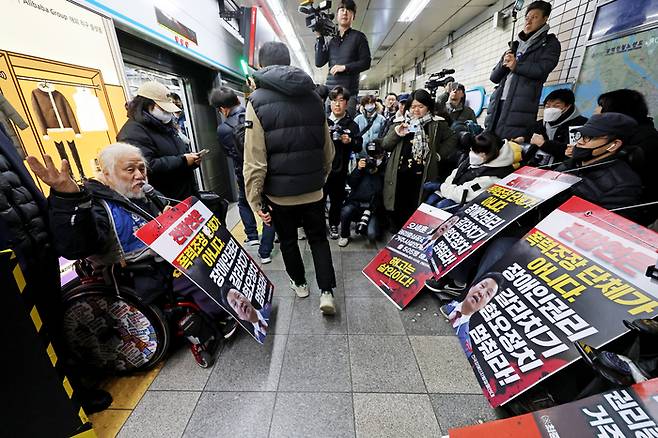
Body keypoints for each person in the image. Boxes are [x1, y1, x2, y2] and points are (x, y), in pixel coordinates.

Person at [28, 143, 237, 334]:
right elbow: (77, 246)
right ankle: (220, 314)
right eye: (130, 170)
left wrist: (167, 218)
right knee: (196, 269)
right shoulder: (97, 204)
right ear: (107, 174)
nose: (140, 175)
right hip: (134, 272)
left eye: (142, 169)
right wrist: (69, 198)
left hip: (160, 258)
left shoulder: (139, 193)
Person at [1, 127, 111, 418]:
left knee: (52, 328)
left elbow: (25, 198)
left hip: (39, 255)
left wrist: (65, 196)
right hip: (9, 269)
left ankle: (73, 391)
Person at [243, 42, 338, 315]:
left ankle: (300, 284)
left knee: (287, 241)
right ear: (288, 62)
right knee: (319, 239)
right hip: (314, 190)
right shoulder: (315, 98)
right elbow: (327, 150)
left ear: (262, 66)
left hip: (279, 195)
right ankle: (327, 292)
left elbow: (255, 160)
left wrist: (255, 201)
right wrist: (321, 177)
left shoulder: (257, 101)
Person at [209, 87, 276, 262]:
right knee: (268, 207)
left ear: (222, 109)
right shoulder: (254, 115)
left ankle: (252, 236)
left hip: (244, 172)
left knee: (244, 201)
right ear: (238, 101)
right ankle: (265, 251)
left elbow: (229, 153)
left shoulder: (223, 128)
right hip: (265, 168)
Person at [382, 89, 458, 230]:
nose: (416, 110)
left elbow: (453, 138)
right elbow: (386, 145)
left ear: (428, 106)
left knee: (416, 206)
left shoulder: (437, 124)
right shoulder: (400, 122)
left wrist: (439, 154)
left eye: (421, 106)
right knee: (398, 206)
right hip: (399, 174)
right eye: (413, 106)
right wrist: (398, 133)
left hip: (423, 174)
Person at [485, 1, 561, 140]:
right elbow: (494, 77)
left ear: (545, 19)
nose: (529, 21)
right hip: (498, 102)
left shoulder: (550, 44)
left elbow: (542, 69)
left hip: (521, 106)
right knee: (490, 143)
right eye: (527, 17)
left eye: (534, 17)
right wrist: (504, 63)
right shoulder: (515, 45)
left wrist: (516, 66)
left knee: (510, 148)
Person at [117, 81, 200, 201]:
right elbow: (147, 166)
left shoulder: (163, 125)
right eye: (164, 109)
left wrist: (191, 161)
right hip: (166, 201)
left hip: (185, 194)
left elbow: (176, 151)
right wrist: (183, 160)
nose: (168, 114)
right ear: (147, 105)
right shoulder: (132, 133)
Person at [555, 112, 643, 212]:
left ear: (614, 144)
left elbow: (606, 223)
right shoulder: (572, 163)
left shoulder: (622, 185)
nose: (579, 141)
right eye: (581, 135)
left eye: (589, 137)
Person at [597, 89, 658, 224]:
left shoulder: (646, 140)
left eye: (601, 107)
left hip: (630, 215)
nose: (596, 111)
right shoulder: (621, 134)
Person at [423, 132, 514, 210]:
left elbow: (464, 194)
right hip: (453, 192)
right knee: (430, 200)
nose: (472, 154)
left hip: (471, 205)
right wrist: (441, 191)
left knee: (443, 205)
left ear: (488, 154)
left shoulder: (493, 176)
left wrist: (440, 187)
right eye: (472, 150)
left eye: (476, 152)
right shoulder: (477, 160)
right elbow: (456, 173)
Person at [315, 0, 371, 116]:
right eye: (341, 9)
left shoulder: (359, 37)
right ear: (337, 15)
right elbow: (319, 62)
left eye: (348, 10)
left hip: (348, 94)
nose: (345, 12)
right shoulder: (332, 41)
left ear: (353, 16)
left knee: (346, 129)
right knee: (327, 127)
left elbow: (366, 62)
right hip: (331, 94)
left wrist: (345, 67)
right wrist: (319, 37)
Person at [325, 86, 362, 239]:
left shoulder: (352, 125)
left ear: (347, 103)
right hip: (321, 169)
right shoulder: (323, 122)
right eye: (334, 100)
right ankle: (318, 225)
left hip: (340, 171)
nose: (337, 104)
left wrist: (350, 140)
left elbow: (359, 145)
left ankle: (334, 224)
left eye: (341, 100)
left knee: (336, 199)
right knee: (318, 199)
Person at [440, 273, 505, 358]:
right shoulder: (440, 299)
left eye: (488, 294)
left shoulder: (465, 345)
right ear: (472, 286)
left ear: (486, 305)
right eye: (482, 286)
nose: (481, 293)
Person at [339, 140, 386, 247]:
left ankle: (365, 224)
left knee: (372, 234)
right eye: (371, 156)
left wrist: (379, 169)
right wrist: (359, 169)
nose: (373, 159)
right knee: (345, 211)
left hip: (372, 207)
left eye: (377, 156)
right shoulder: (363, 165)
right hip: (356, 202)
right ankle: (344, 235)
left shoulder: (385, 167)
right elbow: (351, 183)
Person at [525, 88, 588, 163]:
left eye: (556, 106)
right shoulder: (539, 124)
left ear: (567, 106)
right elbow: (531, 139)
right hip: (535, 166)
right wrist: (523, 139)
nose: (550, 109)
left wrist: (544, 144)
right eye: (547, 106)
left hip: (561, 169)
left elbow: (572, 151)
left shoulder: (580, 124)